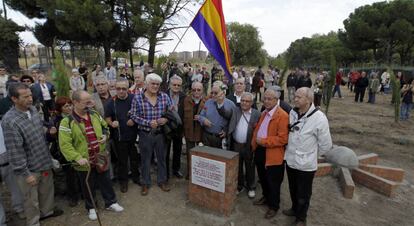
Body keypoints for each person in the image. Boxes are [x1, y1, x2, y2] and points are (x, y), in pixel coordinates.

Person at [2, 83, 63, 226]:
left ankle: (46, 213)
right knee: (31, 199)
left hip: (43, 160)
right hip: (29, 169)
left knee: (46, 192)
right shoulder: (10, 121)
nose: (30, 99)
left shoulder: (33, 110)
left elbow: (38, 129)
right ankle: (34, 222)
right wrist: (26, 173)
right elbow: (15, 151)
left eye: (30, 95)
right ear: (14, 99)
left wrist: (49, 131)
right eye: (25, 97)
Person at [59, 90, 124, 221]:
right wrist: (77, 158)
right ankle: (91, 207)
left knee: (105, 180)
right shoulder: (66, 122)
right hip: (84, 160)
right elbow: (65, 145)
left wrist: (105, 135)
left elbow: (105, 127)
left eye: (90, 100)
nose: (90, 103)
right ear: (75, 102)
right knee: (87, 184)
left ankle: (110, 202)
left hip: (100, 155)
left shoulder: (94, 114)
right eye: (86, 101)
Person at [283, 87, 332, 226]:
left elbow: (326, 145)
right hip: (291, 159)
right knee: (292, 188)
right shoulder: (293, 112)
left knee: (303, 193)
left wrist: (312, 155)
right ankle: (294, 209)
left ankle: (301, 218)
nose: (295, 99)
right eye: (295, 96)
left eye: (299, 97)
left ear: (309, 100)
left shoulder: (319, 118)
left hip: (306, 165)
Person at [130, 73, 172, 196]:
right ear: (146, 84)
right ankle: (145, 183)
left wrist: (166, 119)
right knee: (145, 160)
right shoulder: (138, 97)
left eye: (157, 84)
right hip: (145, 134)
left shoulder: (164, 97)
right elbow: (133, 115)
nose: (155, 86)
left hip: (160, 133)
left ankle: (162, 181)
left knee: (161, 159)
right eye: (152, 83)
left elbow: (171, 112)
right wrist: (147, 123)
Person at [251, 86, 289, 219]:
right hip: (261, 150)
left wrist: (265, 141)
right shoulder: (264, 112)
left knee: (273, 182)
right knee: (263, 178)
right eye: (264, 99)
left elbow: (283, 139)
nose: (266, 101)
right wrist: (255, 144)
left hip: (273, 154)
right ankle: (266, 198)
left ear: (276, 100)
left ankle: (274, 206)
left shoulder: (282, 115)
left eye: (269, 99)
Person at [105, 80, 140, 192]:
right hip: (119, 137)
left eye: (123, 88)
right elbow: (107, 118)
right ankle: (123, 182)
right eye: (118, 88)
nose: (121, 91)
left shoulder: (134, 98)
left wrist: (134, 120)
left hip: (134, 135)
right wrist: (111, 123)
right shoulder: (111, 102)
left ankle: (136, 177)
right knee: (122, 160)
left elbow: (141, 112)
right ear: (115, 89)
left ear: (127, 89)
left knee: (135, 158)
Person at [47, 97, 81, 207]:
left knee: (81, 172)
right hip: (65, 152)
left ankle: (83, 193)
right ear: (60, 108)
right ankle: (73, 197)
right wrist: (51, 133)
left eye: (70, 104)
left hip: (79, 148)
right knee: (70, 175)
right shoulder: (56, 120)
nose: (69, 107)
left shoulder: (77, 115)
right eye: (66, 106)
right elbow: (50, 138)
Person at [228, 92, 260, 198]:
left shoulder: (256, 114)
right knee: (238, 167)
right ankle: (240, 185)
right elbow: (225, 114)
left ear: (251, 103)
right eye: (242, 100)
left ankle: (251, 187)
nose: (244, 103)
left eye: (247, 101)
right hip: (236, 144)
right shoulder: (235, 110)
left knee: (250, 166)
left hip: (248, 145)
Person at [198, 81, 235, 148]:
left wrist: (226, 131)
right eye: (212, 93)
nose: (213, 95)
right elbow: (201, 115)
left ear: (222, 93)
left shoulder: (231, 105)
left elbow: (233, 122)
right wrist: (203, 120)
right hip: (207, 136)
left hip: (220, 139)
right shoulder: (208, 102)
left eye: (216, 93)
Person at [182, 82, 206, 179]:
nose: (196, 92)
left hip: (202, 133)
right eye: (194, 90)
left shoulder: (207, 101)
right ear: (191, 90)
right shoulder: (186, 100)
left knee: (202, 155)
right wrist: (182, 134)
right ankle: (190, 173)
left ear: (202, 90)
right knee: (189, 154)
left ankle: (200, 175)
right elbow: (182, 116)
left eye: (198, 90)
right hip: (189, 132)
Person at [165, 76, 186, 179]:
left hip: (178, 127)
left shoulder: (184, 96)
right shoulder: (163, 95)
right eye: (174, 84)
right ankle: (165, 171)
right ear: (170, 84)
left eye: (178, 85)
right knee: (166, 150)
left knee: (177, 150)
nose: (176, 87)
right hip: (166, 127)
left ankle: (176, 169)